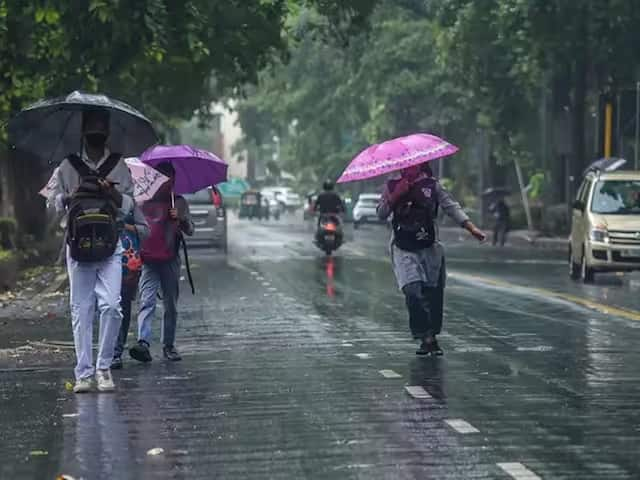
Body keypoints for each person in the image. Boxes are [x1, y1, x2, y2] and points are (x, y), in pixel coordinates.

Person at [52, 108, 135, 393]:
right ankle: (84, 373)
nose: (97, 132)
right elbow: (53, 202)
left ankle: (104, 368)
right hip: (77, 246)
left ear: (107, 131)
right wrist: (69, 196)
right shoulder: (68, 166)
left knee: (112, 306)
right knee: (82, 310)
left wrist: (112, 193)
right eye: (92, 127)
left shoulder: (119, 165)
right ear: (84, 131)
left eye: (102, 126)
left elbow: (130, 205)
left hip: (111, 244)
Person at [377, 163, 485, 356]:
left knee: (431, 295)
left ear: (419, 165)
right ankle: (422, 334)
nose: (409, 169)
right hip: (403, 248)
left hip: (429, 248)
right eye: (405, 166)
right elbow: (381, 213)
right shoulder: (391, 185)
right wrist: (395, 195)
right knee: (412, 290)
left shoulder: (432, 185)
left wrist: (470, 227)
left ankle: (431, 337)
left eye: (413, 165)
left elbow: (451, 206)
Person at [130, 162, 194, 363]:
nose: (165, 181)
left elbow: (190, 230)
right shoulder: (142, 201)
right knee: (146, 301)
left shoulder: (179, 202)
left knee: (170, 305)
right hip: (148, 259)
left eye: (169, 177)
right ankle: (143, 343)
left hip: (170, 258)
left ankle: (168, 345)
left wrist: (181, 218)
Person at [110, 205, 150, 370]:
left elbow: (145, 230)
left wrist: (125, 226)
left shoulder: (130, 204)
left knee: (123, 306)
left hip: (128, 265)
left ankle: (116, 352)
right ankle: (108, 351)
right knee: (106, 306)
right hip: (101, 257)